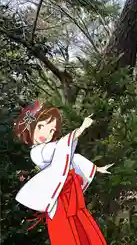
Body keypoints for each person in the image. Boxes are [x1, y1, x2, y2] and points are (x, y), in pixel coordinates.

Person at [14, 101, 112, 245]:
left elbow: (71, 157)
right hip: (58, 197)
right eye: (41, 126)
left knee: (80, 226)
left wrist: (97, 169)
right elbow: (62, 147)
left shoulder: (53, 147)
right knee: (65, 231)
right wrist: (81, 128)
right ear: (30, 128)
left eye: (51, 130)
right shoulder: (37, 152)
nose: (46, 133)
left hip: (69, 192)